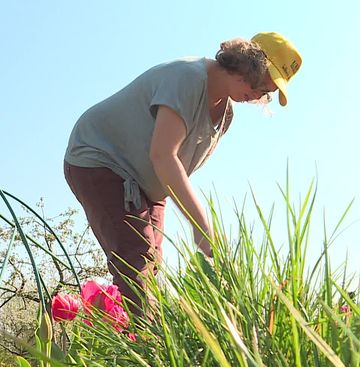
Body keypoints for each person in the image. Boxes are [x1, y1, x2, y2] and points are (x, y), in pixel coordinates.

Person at [64, 32, 302, 317]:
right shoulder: (187, 78)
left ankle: (145, 346)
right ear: (248, 62)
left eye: (269, 92)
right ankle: (149, 353)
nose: (262, 94)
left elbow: (173, 171)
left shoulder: (225, 115)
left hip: (147, 183)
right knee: (135, 264)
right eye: (265, 82)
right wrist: (202, 225)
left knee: (152, 267)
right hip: (101, 160)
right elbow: (164, 156)